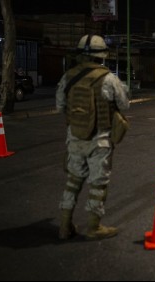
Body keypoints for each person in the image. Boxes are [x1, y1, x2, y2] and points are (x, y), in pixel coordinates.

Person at [55, 34, 130, 240]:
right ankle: (93, 227)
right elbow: (124, 104)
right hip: (100, 138)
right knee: (98, 184)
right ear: (102, 56)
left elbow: (60, 106)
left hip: (75, 137)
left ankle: (64, 226)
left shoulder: (67, 77)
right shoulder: (109, 78)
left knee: (73, 180)